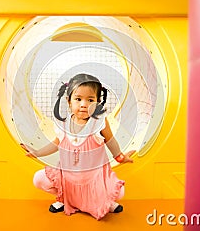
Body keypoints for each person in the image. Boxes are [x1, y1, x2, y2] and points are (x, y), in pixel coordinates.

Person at [20, 73, 135, 220]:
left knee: (120, 192)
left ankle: (105, 200)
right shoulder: (63, 124)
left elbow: (111, 141)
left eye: (90, 100)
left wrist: (120, 157)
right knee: (38, 179)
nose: (83, 104)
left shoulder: (99, 122)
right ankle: (64, 198)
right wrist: (37, 152)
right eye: (78, 99)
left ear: (98, 102)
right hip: (68, 178)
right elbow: (56, 143)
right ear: (69, 101)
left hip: (94, 179)